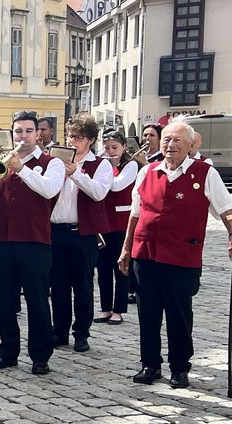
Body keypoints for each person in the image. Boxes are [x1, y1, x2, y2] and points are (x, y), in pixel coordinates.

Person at [120, 119, 232, 388]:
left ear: (191, 144)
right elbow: (135, 213)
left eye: (177, 140)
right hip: (146, 254)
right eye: (167, 139)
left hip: (182, 256)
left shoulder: (205, 173)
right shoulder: (147, 172)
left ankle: (180, 368)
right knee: (148, 313)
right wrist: (126, 249)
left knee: (179, 315)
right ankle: (150, 364)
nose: (170, 145)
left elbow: (226, 209)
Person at [0, 111, 66, 375]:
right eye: (18, 131)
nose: (22, 136)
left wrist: (21, 168)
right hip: (1, 239)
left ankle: (40, 355)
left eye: (28, 131)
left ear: (38, 134)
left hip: (34, 241)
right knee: (4, 300)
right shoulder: (1, 161)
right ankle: (8, 351)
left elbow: (49, 190)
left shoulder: (52, 163)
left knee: (36, 300)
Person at [49, 114, 111, 353]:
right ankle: (59, 331)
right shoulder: (56, 160)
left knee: (82, 285)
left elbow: (99, 193)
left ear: (91, 140)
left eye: (79, 137)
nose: (73, 141)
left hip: (83, 233)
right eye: (70, 136)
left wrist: (75, 172)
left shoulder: (100, 164)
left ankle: (81, 333)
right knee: (58, 285)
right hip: (56, 230)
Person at [95, 129, 138, 325]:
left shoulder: (130, 166)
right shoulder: (101, 164)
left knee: (120, 267)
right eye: (107, 148)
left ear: (123, 147)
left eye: (115, 147)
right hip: (103, 221)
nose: (110, 151)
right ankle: (105, 308)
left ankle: (119, 309)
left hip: (121, 222)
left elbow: (116, 186)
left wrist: (100, 175)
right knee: (103, 268)